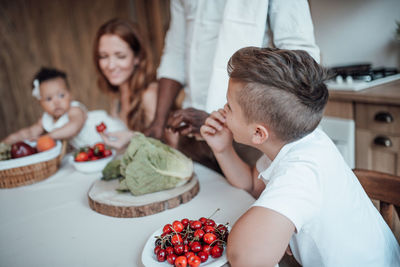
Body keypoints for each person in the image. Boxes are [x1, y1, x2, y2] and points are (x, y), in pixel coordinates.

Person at [200, 47, 400, 266]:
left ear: (259, 133)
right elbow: (253, 184)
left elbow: (245, 256)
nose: (223, 110)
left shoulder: (300, 171)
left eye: (229, 106)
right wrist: (222, 149)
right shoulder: (299, 139)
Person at [145, 0, 320, 171]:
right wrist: (158, 122)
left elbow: (299, 59)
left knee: (248, 196)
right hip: (192, 129)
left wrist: (221, 122)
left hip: (249, 137)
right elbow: (175, 53)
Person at [93, 18, 177, 150]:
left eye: (120, 56)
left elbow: (172, 148)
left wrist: (132, 137)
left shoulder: (150, 94)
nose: (110, 65)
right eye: (103, 56)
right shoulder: (116, 97)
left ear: (137, 57)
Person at [3, 67, 88, 148]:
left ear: (70, 94)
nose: (56, 102)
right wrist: (7, 142)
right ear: (40, 103)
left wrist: (48, 137)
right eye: (49, 99)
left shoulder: (74, 110)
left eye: (61, 95)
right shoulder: (46, 119)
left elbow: (73, 127)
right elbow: (29, 132)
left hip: (96, 141)